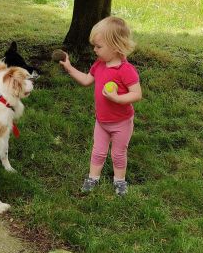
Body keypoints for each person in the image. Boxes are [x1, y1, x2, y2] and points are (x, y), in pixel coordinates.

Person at [60, 16, 142, 196]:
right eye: (94, 46)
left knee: (118, 154)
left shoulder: (125, 70)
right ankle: (92, 178)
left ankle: (120, 181)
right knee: (98, 151)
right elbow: (86, 80)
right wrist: (69, 68)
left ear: (115, 46)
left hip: (122, 123)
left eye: (98, 46)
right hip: (102, 122)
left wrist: (116, 98)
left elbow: (137, 94)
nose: (94, 50)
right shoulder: (99, 65)